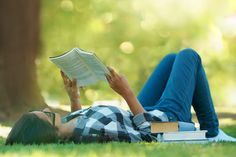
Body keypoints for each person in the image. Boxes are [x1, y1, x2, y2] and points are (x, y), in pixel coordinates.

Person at [5, 48, 236, 145]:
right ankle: (213, 132)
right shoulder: (94, 133)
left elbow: (79, 119)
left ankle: (213, 130)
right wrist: (126, 92)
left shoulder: (70, 128)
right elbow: (149, 134)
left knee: (170, 59)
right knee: (188, 56)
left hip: (142, 112)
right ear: (48, 129)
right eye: (46, 116)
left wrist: (74, 97)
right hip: (164, 122)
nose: (49, 111)